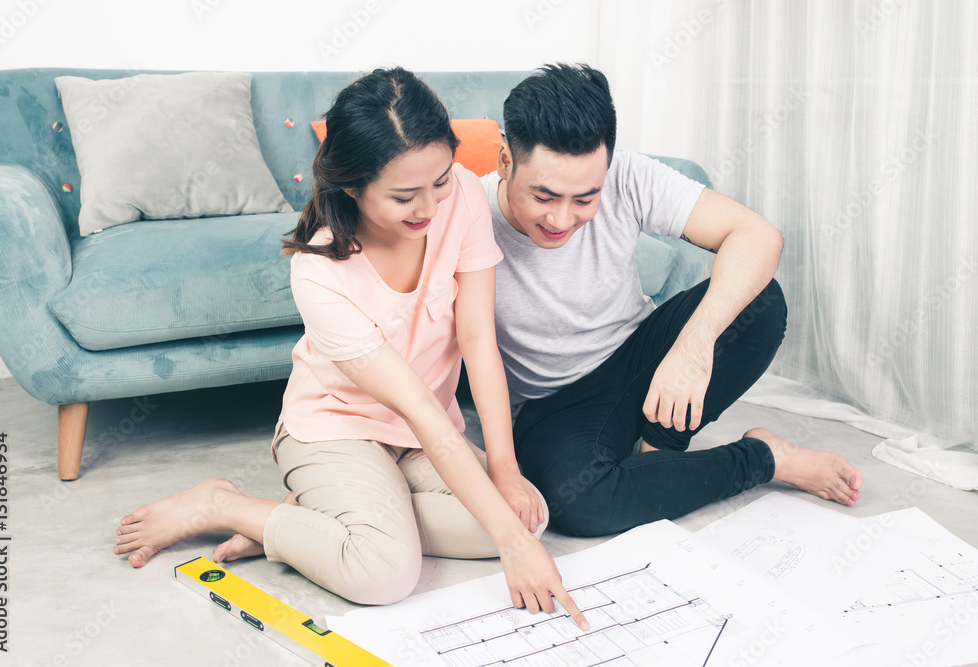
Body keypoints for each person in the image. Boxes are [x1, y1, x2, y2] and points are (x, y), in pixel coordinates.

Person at [113, 67, 588, 628]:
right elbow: (415, 404)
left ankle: (323, 520)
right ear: (352, 185)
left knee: (526, 515)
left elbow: (479, 338)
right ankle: (226, 505)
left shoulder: (459, 194)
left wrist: (505, 473)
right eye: (404, 196)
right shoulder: (320, 271)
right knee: (384, 574)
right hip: (336, 431)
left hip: (417, 439)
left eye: (438, 182)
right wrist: (509, 545)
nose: (430, 208)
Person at [479, 63, 864, 537]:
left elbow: (757, 236)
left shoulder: (625, 175)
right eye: (545, 196)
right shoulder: (469, 217)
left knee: (759, 302)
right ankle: (765, 458)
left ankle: (660, 450)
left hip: (638, 357)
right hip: (554, 403)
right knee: (580, 506)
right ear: (504, 161)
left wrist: (693, 346)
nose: (562, 218)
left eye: (585, 199)